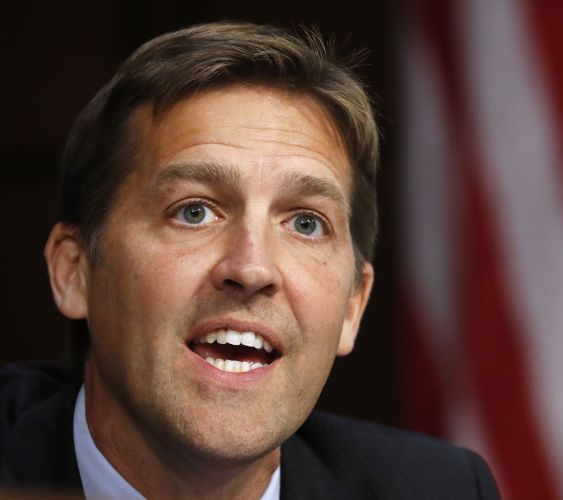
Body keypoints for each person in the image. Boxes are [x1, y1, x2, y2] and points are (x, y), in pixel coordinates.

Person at [0, 21, 499, 499]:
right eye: (194, 212)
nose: (252, 269)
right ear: (74, 272)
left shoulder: (442, 489)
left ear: (353, 306)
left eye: (306, 223)